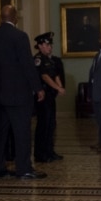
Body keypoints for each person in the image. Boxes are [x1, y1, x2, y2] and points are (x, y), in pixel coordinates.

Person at [0, 5, 45, 179]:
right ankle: (23, 168)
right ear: (15, 18)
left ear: (0, 17)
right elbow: (27, 64)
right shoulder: (19, 36)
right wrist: (38, 87)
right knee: (21, 132)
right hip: (18, 95)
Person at [33, 32, 64, 163]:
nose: (49, 47)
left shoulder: (50, 60)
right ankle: (41, 154)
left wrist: (60, 86)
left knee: (51, 124)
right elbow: (44, 76)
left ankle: (49, 151)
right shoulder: (38, 59)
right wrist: (58, 88)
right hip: (43, 97)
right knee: (43, 125)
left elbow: (55, 75)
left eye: (50, 45)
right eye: (46, 45)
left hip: (50, 97)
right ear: (40, 46)